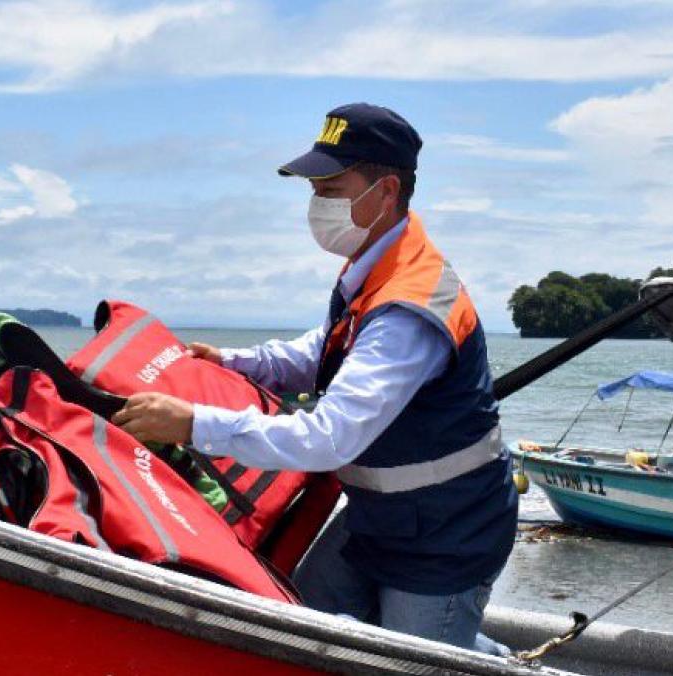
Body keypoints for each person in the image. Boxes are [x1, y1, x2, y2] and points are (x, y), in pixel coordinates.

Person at [113, 103, 515, 655]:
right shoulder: (377, 260)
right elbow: (324, 349)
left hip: (446, 534)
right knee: (298, 627)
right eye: (314, 190)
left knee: (410, 665)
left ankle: (496, 660)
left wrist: (193, 424)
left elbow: (328, 438)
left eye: (330, 189)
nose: (316, 205)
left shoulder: (407, 307)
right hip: (378, 517)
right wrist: (231, 361)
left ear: (386, 191)